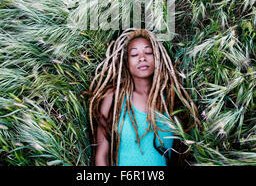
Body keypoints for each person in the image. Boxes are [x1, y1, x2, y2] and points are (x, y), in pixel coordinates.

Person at [87, 28, 202, 166]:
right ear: (126, 63)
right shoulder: (114, 98)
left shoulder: (171, 100)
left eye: (148, 52)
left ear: (157, 58)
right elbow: (101, 155)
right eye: (134, 54)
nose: (142, 58)